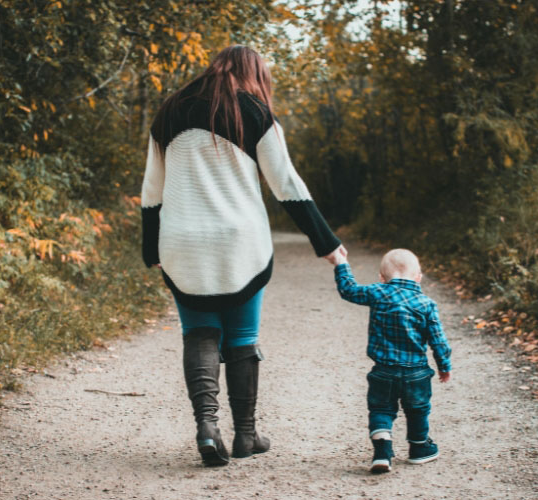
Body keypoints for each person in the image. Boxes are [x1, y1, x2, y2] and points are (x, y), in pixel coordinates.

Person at [140, 45, 347, 467]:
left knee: (199, 331)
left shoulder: (170, 110)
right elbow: (286, 182)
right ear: (252, 73)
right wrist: (326, 242)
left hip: (181, 240)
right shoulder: (252, 111)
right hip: (241, 243)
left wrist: (151, 247)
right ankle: (245, 435)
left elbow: (152, 190)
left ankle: (206, 427)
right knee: (241, 336)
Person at [331, 248, 452, 474]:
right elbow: (439, 341)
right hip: (416, 373)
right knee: (418, 410)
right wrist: (444, 366)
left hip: (383, 371)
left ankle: (382, 453)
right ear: (419, 277)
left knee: (381, 409)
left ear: (381, 277)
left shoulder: (378, 292)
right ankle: (418, 448)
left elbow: (348, 290)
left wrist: (341, 263)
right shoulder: (426, 304)